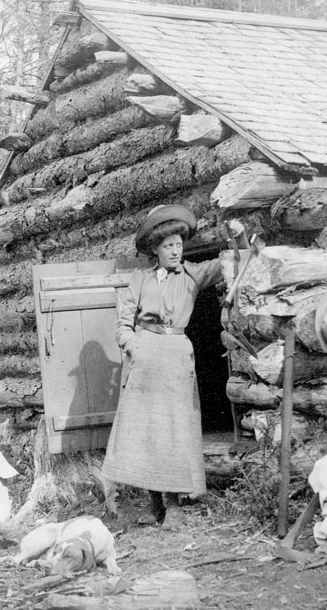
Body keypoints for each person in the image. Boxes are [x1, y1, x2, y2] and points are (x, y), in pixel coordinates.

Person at [102, 205, 245, 529]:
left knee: (175, 430)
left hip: (177, 356)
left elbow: (234, 263)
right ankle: (155, 503)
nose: (175, 251)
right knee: (147, 433)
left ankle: (174, 504)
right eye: (168, 246)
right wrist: (133, 346)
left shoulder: (194, 274)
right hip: (145, 357)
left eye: (179, 245)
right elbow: (123, 323)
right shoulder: (140, 279)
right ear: (155, 248)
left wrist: (239, 239)